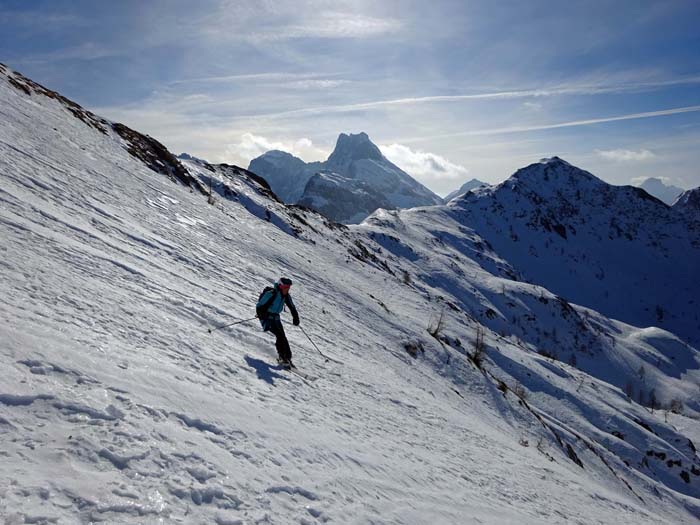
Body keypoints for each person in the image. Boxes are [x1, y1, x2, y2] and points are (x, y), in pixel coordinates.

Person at [256, 277, 300, 367]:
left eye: (288, 287)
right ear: (280, 286)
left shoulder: (286, 296)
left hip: (276, 318)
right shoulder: (271, 293)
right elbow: (259, 305)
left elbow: (292, 307)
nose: (287, 289)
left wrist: (295, 317)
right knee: (279, 335)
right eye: (285, 287)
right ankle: (282, 357)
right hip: (267, 318)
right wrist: (261, 314)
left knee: (282, 336)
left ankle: (287, 357)